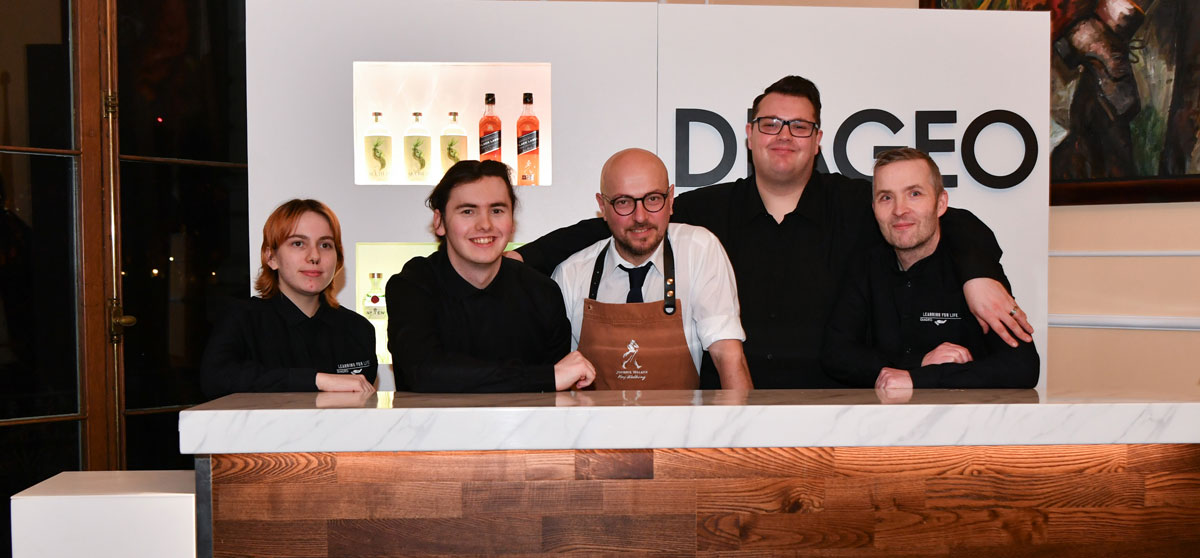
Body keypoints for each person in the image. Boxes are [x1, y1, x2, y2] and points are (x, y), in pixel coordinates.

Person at [516, 75, 1033, 389]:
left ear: (817, 139)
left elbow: (945, 218)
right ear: (748, 133)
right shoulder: (711, 207)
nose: (783, 136)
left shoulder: (857, 202)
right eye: (769, 123)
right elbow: (621, 219)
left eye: (798, 126)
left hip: (842, 406)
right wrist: (517, 259)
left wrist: (979, 275)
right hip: (728, 409)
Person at [821, 148, 1039, 390]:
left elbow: (1023, 367)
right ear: (874, 209)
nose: (899, 210)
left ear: (941, 203)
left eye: (914, 193)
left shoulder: (973, 270)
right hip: (880, 423)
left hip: (965, 422)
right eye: (886, 197)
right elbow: (836, 354)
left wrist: (918, 378)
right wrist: (917, 364)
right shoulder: (866, 264)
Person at [386, 159, 594, 392]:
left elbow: (556, 396)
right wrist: (545, 377)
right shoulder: (412, 286)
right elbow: (424, 373)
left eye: (496, 210)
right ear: (440, 222)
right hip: (433, 429)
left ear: (512, 221)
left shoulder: (542, 293)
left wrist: (547, 378)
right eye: (468, 211)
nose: (484, 225)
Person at [552, 148, 751, 391]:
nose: (640, 217)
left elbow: (729, 358)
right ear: (602, 206)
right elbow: (557, 380)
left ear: (670, 200)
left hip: (684, 427)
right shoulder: (571, 275)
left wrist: (744, 427)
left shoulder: (698, 250)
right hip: (596, 428)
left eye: (653, 199)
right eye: (624, 202)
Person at [201, 198, 377, 398]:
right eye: (298, 243)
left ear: (338, 259)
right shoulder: (242, 319)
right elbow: (215, 379)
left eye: (325, 245)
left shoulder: (358, 329)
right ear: (271, 257)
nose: (314, 256)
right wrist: (318, 380)